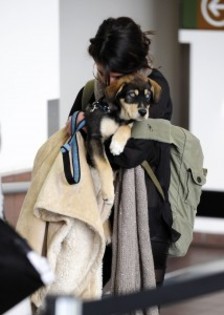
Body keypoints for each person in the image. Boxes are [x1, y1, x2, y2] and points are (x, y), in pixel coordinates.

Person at [69, 17, 177, 291]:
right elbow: (72, 128)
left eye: (116, 75)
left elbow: (130, 154)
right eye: (103, 70)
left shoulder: (152, 90)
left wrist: (94, 132)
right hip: (96, 210)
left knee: (140, 298)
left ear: (136, 66)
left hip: (145, 214)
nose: (108, 81)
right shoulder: (94, 89)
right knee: (84, 291)